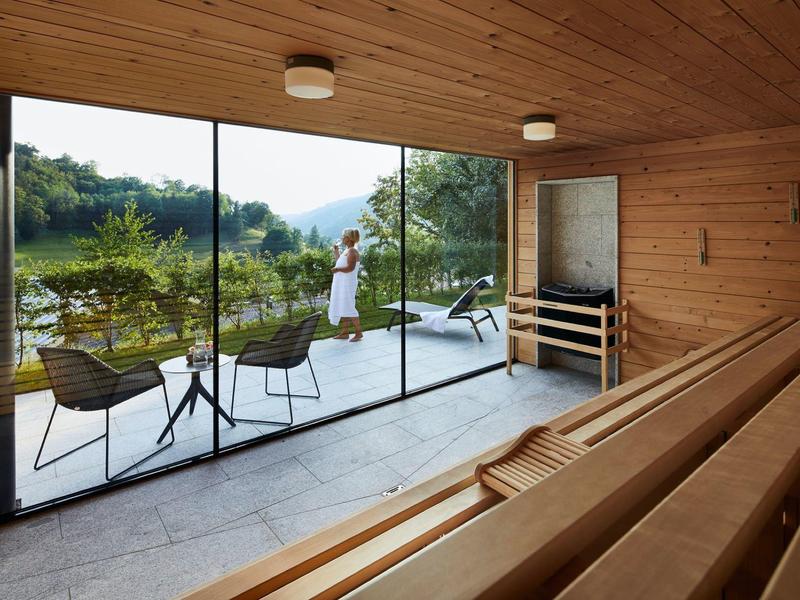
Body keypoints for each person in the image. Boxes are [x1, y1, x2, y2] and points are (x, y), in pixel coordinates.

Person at [329, 228, 362, 342]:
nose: (342, 238)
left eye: (343, 236)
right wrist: (336, 252)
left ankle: (359, 333)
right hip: (342, 283)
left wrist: (337, 269)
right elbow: (340, 262)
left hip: (348, 284)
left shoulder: (353, 251)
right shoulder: (347, 250)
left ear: (348, 238)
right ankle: (344, 332)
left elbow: (350, 268)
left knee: (348, 306)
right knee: (343, 306)